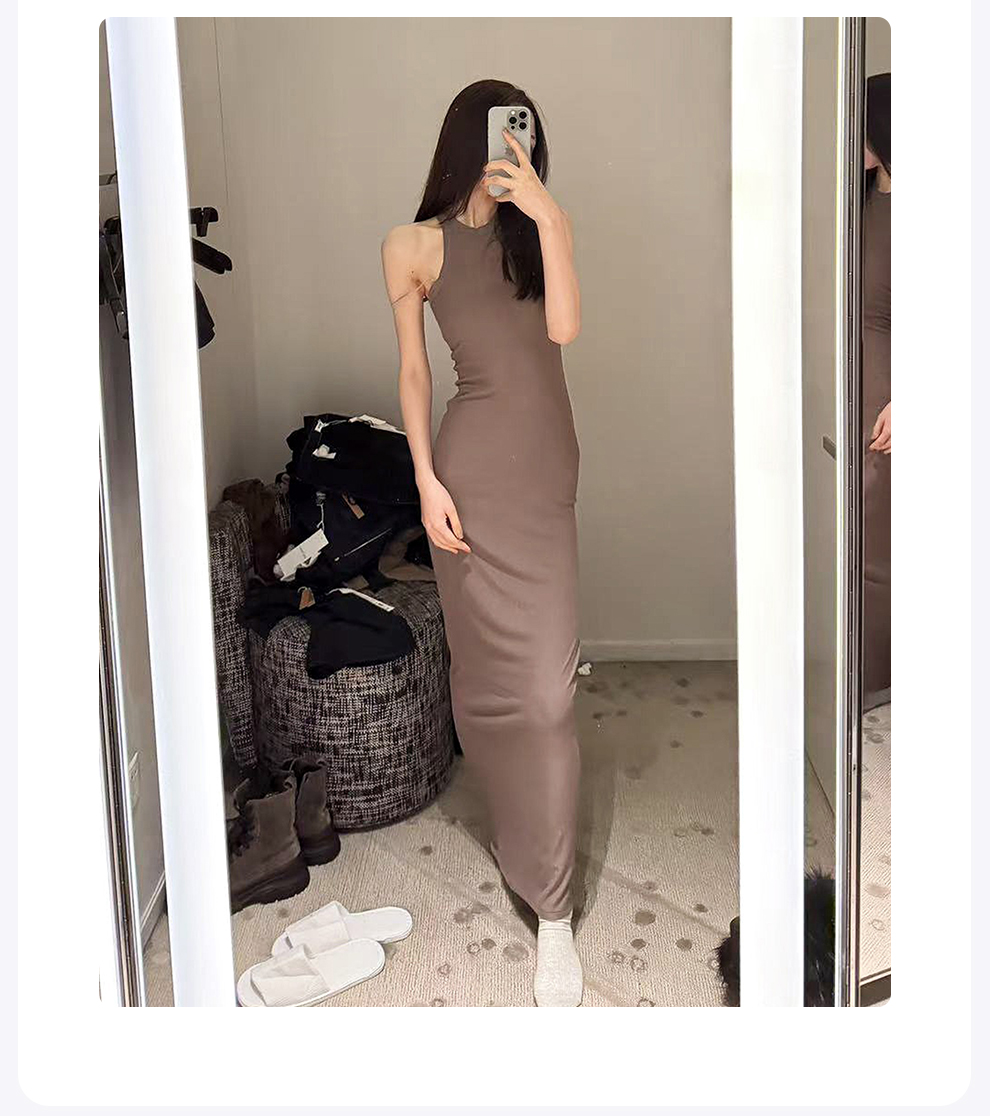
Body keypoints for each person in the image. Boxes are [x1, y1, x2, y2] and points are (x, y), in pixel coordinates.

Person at [381, 80, 583, 1006]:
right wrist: (425, 482)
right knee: (493, 681)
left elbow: (563, 329)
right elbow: (414, 372)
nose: (518, 145)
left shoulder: (538, 231)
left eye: (529, 134)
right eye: (507, 130)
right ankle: (522, 838)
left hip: (543, 469)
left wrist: (549, 216)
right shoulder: (412, 244)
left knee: (548, 693)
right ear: (472, 137)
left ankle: (555, 914)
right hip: (466, 473)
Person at [862, 72, 891, 709]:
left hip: (888, 391)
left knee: (879, 548)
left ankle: (879, 692)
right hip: (853, 377)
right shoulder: (863, 198)